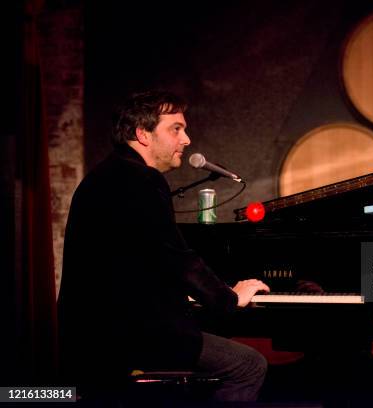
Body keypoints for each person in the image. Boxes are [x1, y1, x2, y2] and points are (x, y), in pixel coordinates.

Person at [57, 90, 270, 402]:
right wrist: (229, 298)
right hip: (129, 334)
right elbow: (178, 259)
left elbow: (141, 262)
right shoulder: (142, 179)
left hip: (89, 334)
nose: (186, 139)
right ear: (143, 134)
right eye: (176, 129)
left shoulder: (103, 176)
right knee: (249, 365)